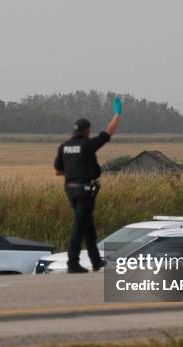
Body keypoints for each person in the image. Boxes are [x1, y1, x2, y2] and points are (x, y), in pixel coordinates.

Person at [53, 97, 122, 273]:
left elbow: (58, 171)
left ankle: (96, 261)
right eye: (89, 131)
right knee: (79, 226)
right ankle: (72, 263)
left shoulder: (64, 147)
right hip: (85, 191)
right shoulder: (87, 145)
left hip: (70, 190)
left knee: (88, 227)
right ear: (86, 131)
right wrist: (117, 114)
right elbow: (108, 133)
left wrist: (74, 170)